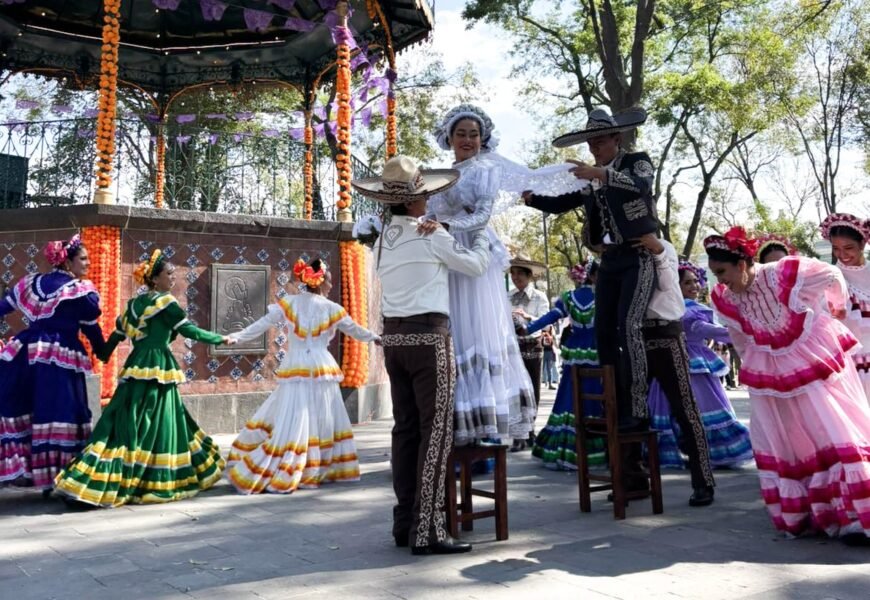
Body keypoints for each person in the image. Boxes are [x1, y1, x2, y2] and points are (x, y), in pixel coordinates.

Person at [352, 155, 491, 555]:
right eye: (424, 196)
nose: (428, 204)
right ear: (414, 201)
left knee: (405, 430)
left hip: (394, 342)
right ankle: (428, 528)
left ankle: (404, 521)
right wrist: (479, 232)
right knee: (436, 433)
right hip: (429, 338)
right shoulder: (431, 232)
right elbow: (476, 265)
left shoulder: (380, 240)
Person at [705, 226, 870, 545]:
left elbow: (831, 274)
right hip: (770, 370)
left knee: (835, 430)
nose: (719, 280)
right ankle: (820, 512)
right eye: (715, 273)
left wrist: (834, 307)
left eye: (722, 271)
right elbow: (739, 336)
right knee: (794, 441)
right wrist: (754, 366)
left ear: (741, 263)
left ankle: (854, 513)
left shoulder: (782, 272)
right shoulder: (725, 297)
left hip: (810, 358)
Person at [53, 250, 229, 507]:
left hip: (135, 369)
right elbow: (189, 331)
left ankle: (85, 478)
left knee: (122, 424)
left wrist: (75, 338)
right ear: (155, 279)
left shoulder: (132, 306)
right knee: (161, 423)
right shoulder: (166, 303)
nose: (174, 277)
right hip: (158, 368)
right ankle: (151, 479)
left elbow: (106, 348)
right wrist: (221, 338)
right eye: (169, 273)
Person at [523, 107, 659, 432]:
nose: (594, 148)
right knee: (603, 333)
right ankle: (613, 405)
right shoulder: (590, 177)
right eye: (590, 143)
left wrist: (602, 175)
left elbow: (641, 185)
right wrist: (531, 199)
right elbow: (563, 201)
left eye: (599, 141)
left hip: (638, 256)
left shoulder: (635, 160)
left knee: (629, 327)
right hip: (609, 260)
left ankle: (638, 409)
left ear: (617, 138)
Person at [417, 104, 537, 447]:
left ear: (483, 138)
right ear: (449, 138)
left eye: (474, 134)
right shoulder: (438, 174)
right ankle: (455, 423)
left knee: (477, 326)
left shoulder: (484, 170)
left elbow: (482, 215)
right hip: (442, 254)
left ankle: (485, 423)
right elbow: (427, 210)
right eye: (461, 134)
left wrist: (448, 225)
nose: (468, 140)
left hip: (473, 251)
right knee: (451, 325)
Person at [224, 257, 380, 494]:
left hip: (297, 365)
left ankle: (300, 464)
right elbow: (355, 330)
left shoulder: (289, 303)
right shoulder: (331, 309)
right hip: (320, 366)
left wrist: (238, 336)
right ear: (318, 282)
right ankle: (312, 467)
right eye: (328, 279)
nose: (331, 283)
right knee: (320, 417)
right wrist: (376, 338)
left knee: (295, 415)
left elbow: (263, 323)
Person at [0, 235, 106, 492]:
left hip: (27, 352)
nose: (88, 263)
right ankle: (57, 475)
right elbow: (91, 329)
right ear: (67, 261)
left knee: (25, 405)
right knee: (60, 410)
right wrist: (105, 350)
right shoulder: (80, 290)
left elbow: (3, 306)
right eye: (83, 258)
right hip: (60, 356)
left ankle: (25, 469)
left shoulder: (32, 282)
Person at [629, 236, 716, 506]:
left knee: (684, 409)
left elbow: (668, 285)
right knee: (632, 409)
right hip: (634, 335)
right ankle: (634, 479)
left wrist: (654, 251)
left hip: (666, 334)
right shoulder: (620, 251)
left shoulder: (663, 247)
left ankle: (703, 481)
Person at [647, 259, 753, 469]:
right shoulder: (687, 311)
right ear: (675, 287)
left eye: (696, 281)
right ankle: (708, 453)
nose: (694, 286)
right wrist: (747, 332)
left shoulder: (668, 309)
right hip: (691, 363)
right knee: (702, 406)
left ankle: (692, 451)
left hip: (677, 361)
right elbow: (712, 331)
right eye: (687, 283)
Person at [523, 260, 606, 469]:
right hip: (597, 349)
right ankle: (593, 447)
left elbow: (551, 317)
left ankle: (562, 449)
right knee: (595, 397)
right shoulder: (604, 296)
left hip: (574, 352)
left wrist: (529, 327)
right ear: (594, 276)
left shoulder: (569, 298)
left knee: (569, 395)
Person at [820, 213, 870, 403]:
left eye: (848, 248)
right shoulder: (830, 278)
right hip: (848, 367)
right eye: (836, 249)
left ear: (862, 245)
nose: (842, 255)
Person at [508, 253, 550, 450]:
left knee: (532, 390)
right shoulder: (507, 296)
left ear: (529, 276)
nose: (515, 278)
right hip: (513, 347)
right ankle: (518, 434)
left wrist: (527, 316)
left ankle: (530, 429)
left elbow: (545, 321)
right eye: (513, 273)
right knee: (514, 391)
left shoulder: (540, 297)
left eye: (519, 274)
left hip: (532, 346)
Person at [541, 326, 558, 390]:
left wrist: (551, 338)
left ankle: (550, 384)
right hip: (543, 352)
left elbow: (554, 344)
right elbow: (541, 343)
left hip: (550, 352)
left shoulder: (552, 334)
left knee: (549, 369)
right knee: (542, 369)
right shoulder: (542, 333)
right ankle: (542, 383)